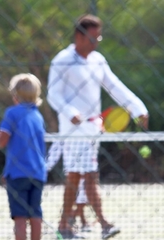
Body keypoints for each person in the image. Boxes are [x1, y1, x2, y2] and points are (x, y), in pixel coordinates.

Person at [47, 14, 149, 239]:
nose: (96, 42)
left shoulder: (98, 60)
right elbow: (52, 94)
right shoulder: (62, 60)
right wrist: (71, 113)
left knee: (90, 175)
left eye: (98, 38)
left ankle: (96, 224)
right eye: (93, 38)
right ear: (78, 36)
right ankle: (74, 226)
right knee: (76, 176)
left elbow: (115, 86)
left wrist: (138, 108)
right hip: (72, 131)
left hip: (93, 130)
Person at [0, 73, 46, 240]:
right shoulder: (38, 116)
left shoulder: (12, 113)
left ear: (15, 95)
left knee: (20, 216)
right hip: (38, 172)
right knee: (35, 213)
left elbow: (2, 141)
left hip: (18, 174)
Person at [46, 141, 92, 233]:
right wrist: (44, 169)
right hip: (73, 168)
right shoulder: (63, 136)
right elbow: (52, 156)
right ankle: (72, 219)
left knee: (83, 194)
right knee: (76, 193)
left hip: (85, 164)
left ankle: (79, 219)